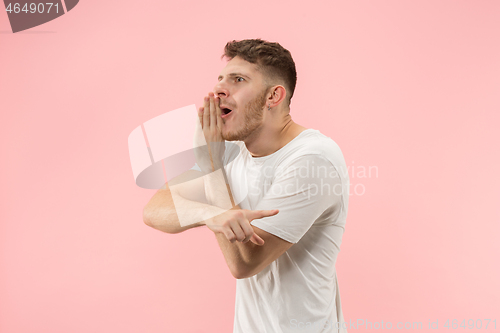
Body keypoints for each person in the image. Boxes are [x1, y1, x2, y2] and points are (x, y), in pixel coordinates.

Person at [143, 39, 349, 333]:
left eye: (238, 80)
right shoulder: (230, 149)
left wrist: (212, 170)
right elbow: (155, 209)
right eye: (220, 79)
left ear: (273, 96)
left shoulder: (313, 159)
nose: (219, 90)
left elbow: (245, 263)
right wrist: (209, 214)